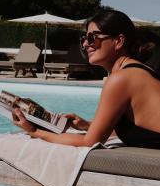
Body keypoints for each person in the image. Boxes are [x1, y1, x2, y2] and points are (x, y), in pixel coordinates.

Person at [12, 10, 160, 149]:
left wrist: (35, 131)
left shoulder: (121, 79)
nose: (84, 44)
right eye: (84, 38)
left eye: (92, 38)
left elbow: (89, 142)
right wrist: (88, 125)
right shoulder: (140, 71)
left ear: (118, 41)